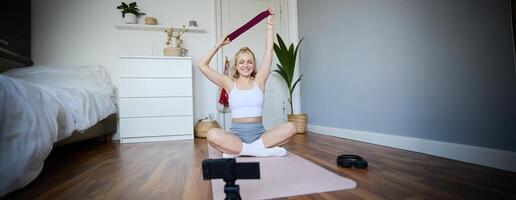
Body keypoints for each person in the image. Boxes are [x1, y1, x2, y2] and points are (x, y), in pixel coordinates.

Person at [198, 8, 296, 158]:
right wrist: (219, 45)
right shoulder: (229, 83)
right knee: (212, 134)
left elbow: (269, 50)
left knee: (290, 127)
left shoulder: (259, 80)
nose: (246, 65)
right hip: (236, 137)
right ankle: (257, 151)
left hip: (260, 136)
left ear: (254, 65)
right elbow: (202, 65)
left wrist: (270, 24)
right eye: (241, 62)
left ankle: (242, 151)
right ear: (236, 65)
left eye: (249, 62)